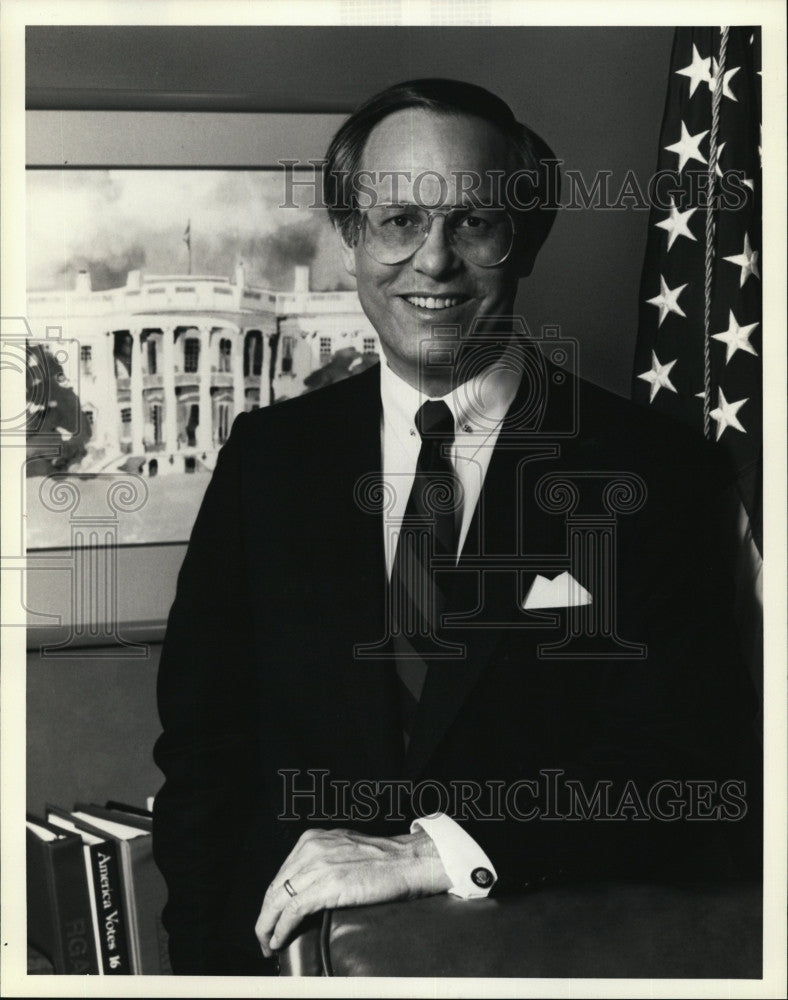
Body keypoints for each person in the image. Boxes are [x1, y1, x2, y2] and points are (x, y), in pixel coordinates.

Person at [152, 79, 760, 975]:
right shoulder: (269, 459)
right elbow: (205, 754)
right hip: (288, 965)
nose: (432, 263)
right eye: (397, 221)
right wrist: (205, 970)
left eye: (474, 222)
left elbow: (699, 769)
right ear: (352, 240)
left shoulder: (658, 469)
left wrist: (439, 848)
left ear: (528, 239)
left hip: (545, 961)